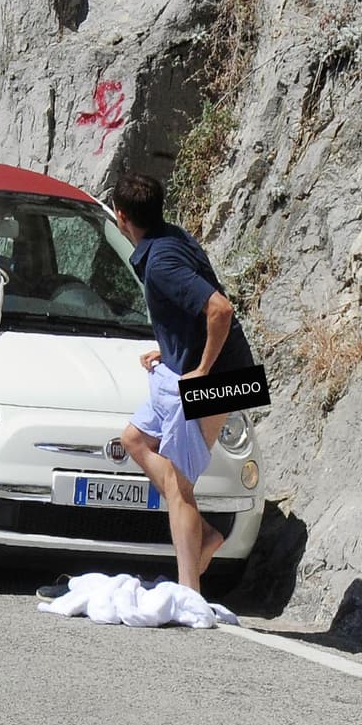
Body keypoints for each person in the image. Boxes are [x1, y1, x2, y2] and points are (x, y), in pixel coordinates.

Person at [107, 173, 254, 593]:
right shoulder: (171, 239)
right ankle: (202, 536)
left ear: (121, 218)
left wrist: (201, 370)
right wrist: (169, 348)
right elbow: (187, 310)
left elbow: (219, 310)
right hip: (189, 371)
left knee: (179, 485)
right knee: (134, 439)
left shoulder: (162, 261)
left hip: (218, 380)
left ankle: (190, 590)